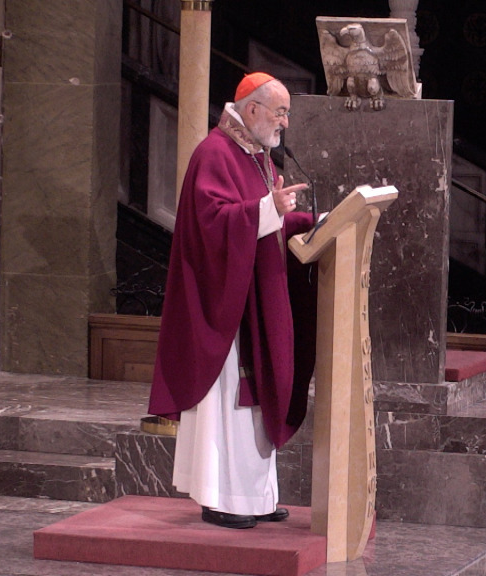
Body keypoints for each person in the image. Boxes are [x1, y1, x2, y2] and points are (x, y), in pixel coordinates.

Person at [148, 72, 317, 529]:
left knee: (257, 406)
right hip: (224, 306)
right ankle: (219, 497)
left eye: (286, 112)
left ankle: (256, 497)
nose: (284, 121)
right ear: (253, 108)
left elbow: (266, 221)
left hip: (256, 298)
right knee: (230, 405)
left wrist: (304, 222)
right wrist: (268, 210)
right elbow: (211, 224)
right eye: (280, 111)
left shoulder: (258, 157)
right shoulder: (214, 153)